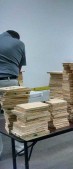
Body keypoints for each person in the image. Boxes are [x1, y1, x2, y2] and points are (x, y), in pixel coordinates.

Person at [0, 30, 26, 158]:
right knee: (15, 115)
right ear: (16, 37)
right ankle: (20, 149)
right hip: (10, 82)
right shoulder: (19, 43)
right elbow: (20, 68)